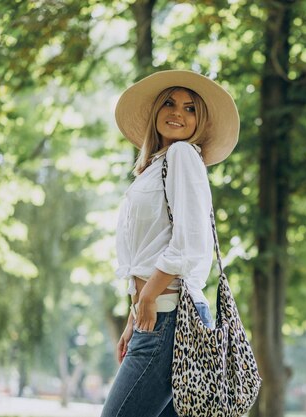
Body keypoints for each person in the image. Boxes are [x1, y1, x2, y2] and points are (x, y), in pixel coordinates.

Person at [101, 70, 240, 417]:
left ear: (200, 122)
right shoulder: (154, 167)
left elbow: (191, 243)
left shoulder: (182, 156)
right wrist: (134, 317)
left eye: (190, 108)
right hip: (157, 318)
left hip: (172, 320)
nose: (177, 112)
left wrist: (148, 297)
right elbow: (145, 251)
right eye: (169, 103)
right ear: (156, 112)